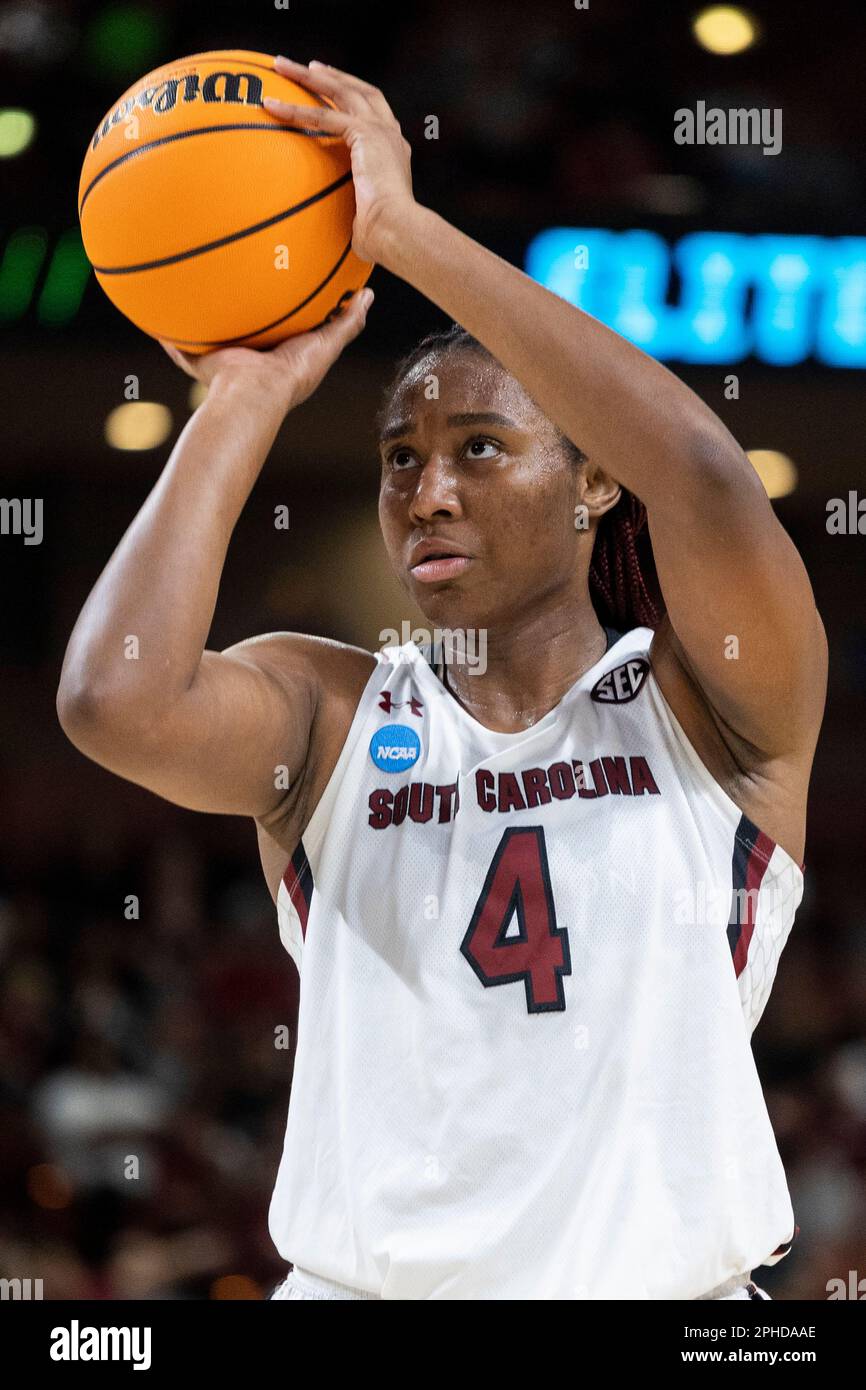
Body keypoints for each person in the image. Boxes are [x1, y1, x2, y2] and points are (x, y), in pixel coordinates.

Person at [57, 56, 827, 1300]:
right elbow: (111, 698)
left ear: (590, 480)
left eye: (479, 446)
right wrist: (243, 397)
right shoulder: (328, 712)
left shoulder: (711, 706)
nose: (427, 491)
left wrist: (404, 234)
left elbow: (700, 478)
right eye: (400, 456)